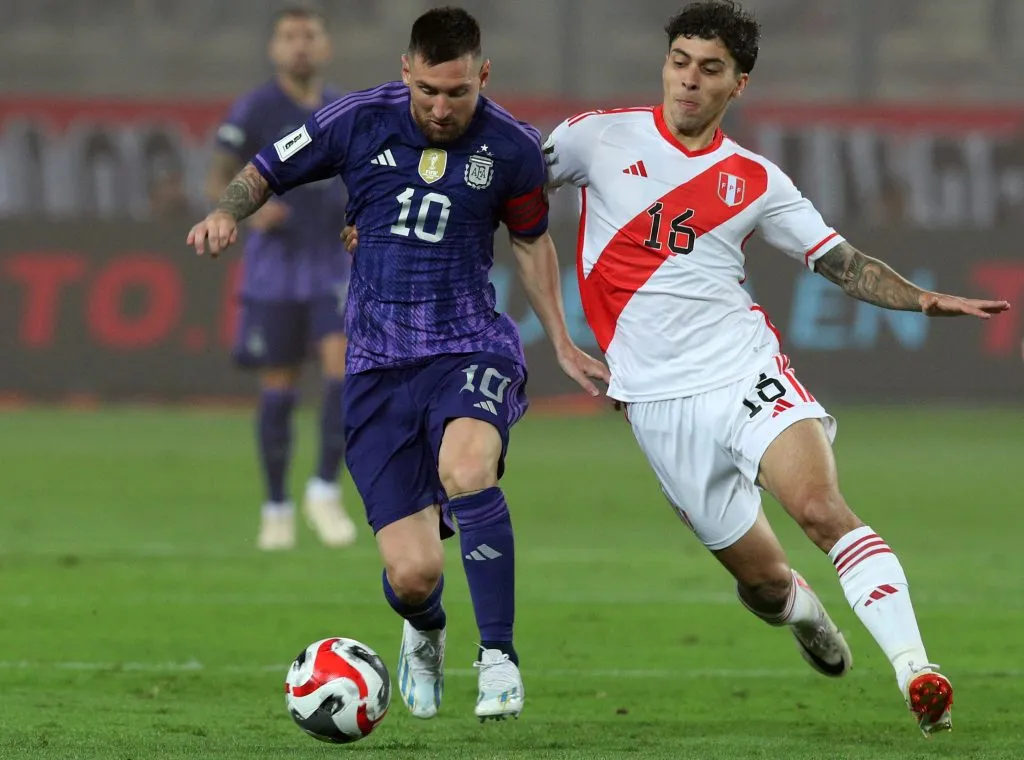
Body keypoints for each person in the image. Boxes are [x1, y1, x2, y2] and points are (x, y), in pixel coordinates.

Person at [542, 0, 1010, 736]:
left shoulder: (754, 179)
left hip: (743, 370)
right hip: (656, 400)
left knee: (821, 509)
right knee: (761, 584)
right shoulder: (594, 139)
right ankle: (801, 611)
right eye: (680, 63)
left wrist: (922, 300)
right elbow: (507, 198)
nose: (689, 82)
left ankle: (917, 670)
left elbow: (841, 262)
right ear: (665, 64)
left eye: (710, 70)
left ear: (739, 84)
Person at [188, 6, 607, 722]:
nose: (441, 109)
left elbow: (533, 243)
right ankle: (425, 628)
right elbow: (262, 170)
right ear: (405, 70)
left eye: (458, 93)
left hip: (470, 346)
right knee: (414, 574)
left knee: (469, 469)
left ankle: (499, 659)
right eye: (428, 92)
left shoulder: (511, 147)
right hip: (379, 368)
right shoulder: (355, 120)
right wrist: (230, 211)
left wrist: (562, 342)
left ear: (483, 76)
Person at [206, 5, 357, 552]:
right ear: (275, 49)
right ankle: (276, 506)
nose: (299, 45)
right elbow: (220, 170)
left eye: (308, 35)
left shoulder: (344, 108)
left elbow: (367, 170)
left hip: (332, 263)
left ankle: (323, 489)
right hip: (275, 267)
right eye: (289, 36)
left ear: (325, 46)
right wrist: (244, 207)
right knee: (279, 386)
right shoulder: (256, 107)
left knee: (343, 369)